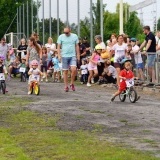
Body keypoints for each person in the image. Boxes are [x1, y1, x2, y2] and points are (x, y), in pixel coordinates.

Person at [57, 27, 80, 92]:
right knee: (65, 71)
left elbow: (77, 46)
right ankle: (66, 86)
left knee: (74, 69)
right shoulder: (61, 37)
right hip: (64, 55)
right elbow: (58, 46)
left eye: (67, 32)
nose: (66, 34)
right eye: (64, 32)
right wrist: (59, 55)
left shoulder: (74, 36)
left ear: (70, 31)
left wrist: (78, 55)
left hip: (72, 55)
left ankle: (72, 83)